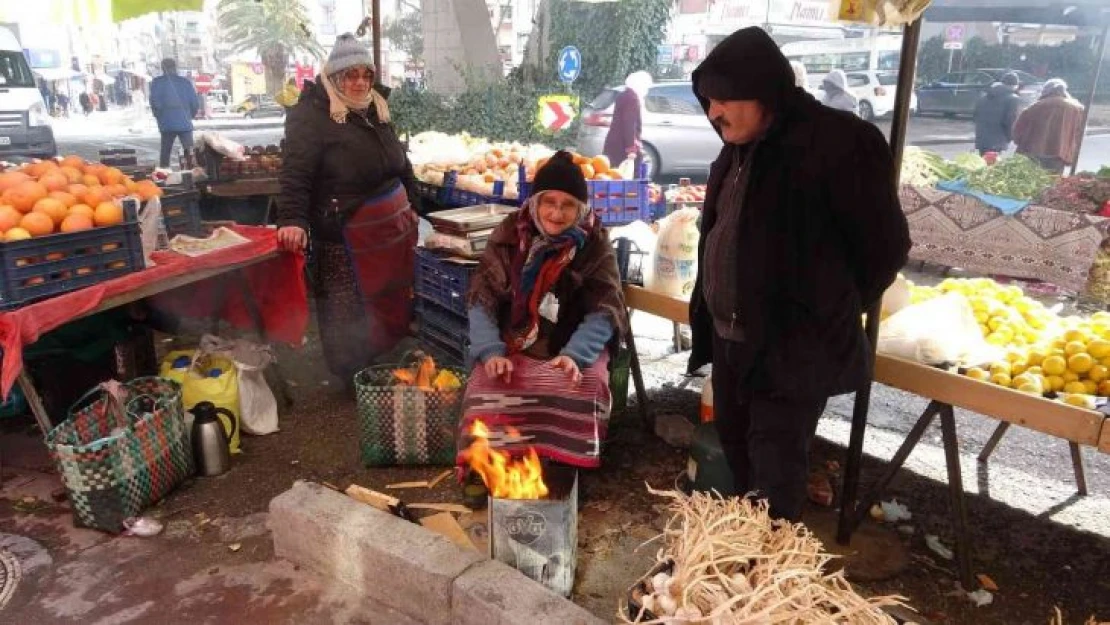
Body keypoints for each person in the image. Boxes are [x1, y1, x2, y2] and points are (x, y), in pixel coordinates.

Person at [687, 27, 910, 521]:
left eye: (724, 98)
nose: (713, 112)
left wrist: (827, 308)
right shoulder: (737, 148)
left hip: (790, 349)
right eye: (708, 101)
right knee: (740, 461)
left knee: (775, 478)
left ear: (763, 88)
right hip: (731, 344)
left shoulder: (839, 143)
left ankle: (769, 578)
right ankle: (746, 565)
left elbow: (885, 248)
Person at [459, 151, 627, 473]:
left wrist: (575, 355)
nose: (556, 213)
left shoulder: (594, 244)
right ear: (535, 202)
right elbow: (482, 298)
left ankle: (564, 464)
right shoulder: (509, 235)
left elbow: (605, 310)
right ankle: (487, 466)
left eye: (567, 205)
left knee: (586, 385)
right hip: (517, 338)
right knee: (484, 385)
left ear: (581, 209)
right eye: (549, 202)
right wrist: (491, 351)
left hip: (573, 341)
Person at [277, 33, 422, 391]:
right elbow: (295, 173)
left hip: (388, 228)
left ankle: (383, 359)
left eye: (365, 75)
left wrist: (415, 202)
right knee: (346, 307)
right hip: (342, 228)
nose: (359, 82)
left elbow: (401, 163)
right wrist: (292, 219)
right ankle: (354, 376)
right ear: (334, 77)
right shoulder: (311, 115)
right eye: (350, 74)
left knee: (386, 295)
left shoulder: (376, 110)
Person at [1013, 78, 1086, 175]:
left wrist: (1020, 142)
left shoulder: (1035, 106)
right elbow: (1079, 133)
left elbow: (1018, 131)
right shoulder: (1077, 109)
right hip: (1059, 154)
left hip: (1034, 152)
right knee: (1052, 184)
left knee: (1032, 183)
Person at [149, 58, 200, 168]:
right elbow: (195, 103)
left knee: (165, 153)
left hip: (166, 123)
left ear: (163, 68)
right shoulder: (185, 82)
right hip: (185, 122)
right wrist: (190, 115)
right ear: (175, 67)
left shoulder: (157, 83)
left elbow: (154, 103)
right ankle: (192, 174)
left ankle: (163, 174)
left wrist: (159, 116)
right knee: (190, 154)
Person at [603, 71, 652, 174]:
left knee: (612, 174)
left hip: (614, 143)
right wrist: (631, 148)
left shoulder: (624, 95)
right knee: (625, 177)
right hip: (622, 145)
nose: (646, 90)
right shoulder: (632, 98)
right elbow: (629, 124)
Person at [973, 72, 1021, 157]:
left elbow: (975, 115)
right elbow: (1010, 120)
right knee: (992, 165)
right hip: (998, 140)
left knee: (983, 164)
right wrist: (1010, 137)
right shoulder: (1013, 99)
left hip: (982, 138)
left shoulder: (984, 96)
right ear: (1015, 85)